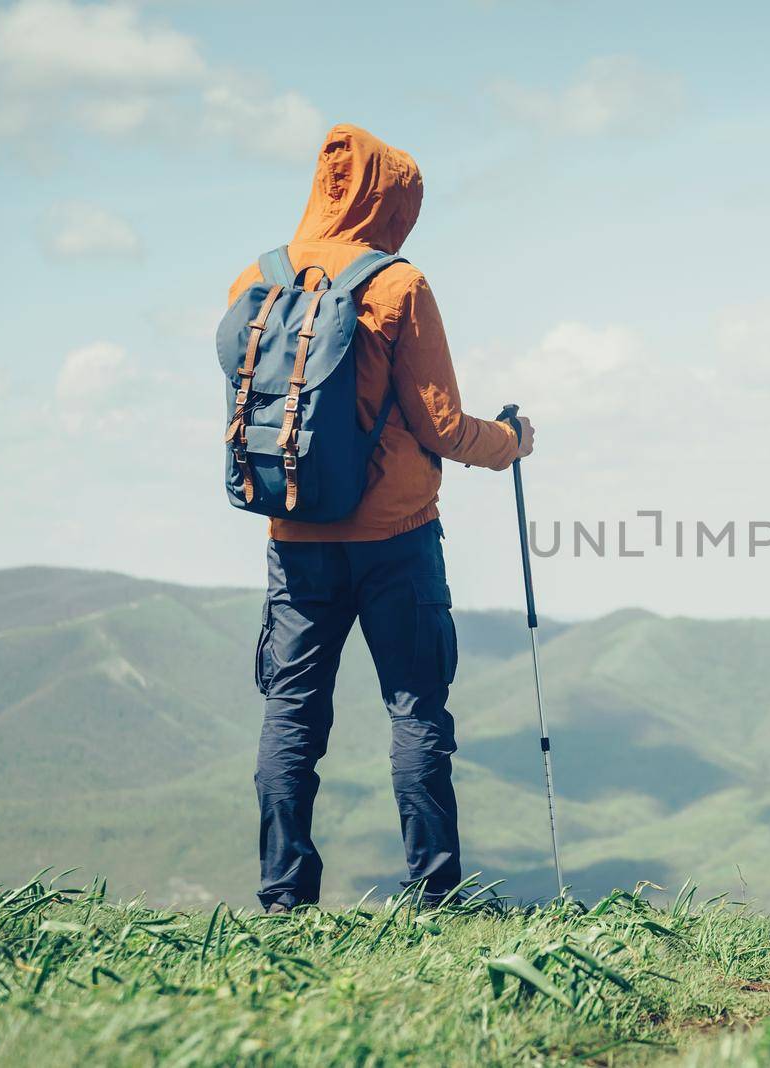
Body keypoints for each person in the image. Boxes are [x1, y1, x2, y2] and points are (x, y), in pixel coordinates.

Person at [227, 124, 533, 913]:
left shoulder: (253, 284)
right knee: (417, 710)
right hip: (397, 540)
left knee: (291, 715)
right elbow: (442, 426)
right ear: (389, 198)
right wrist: (513, 443)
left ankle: (284, 900)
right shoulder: (397, 284)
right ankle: (435, 892)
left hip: (293, 538)